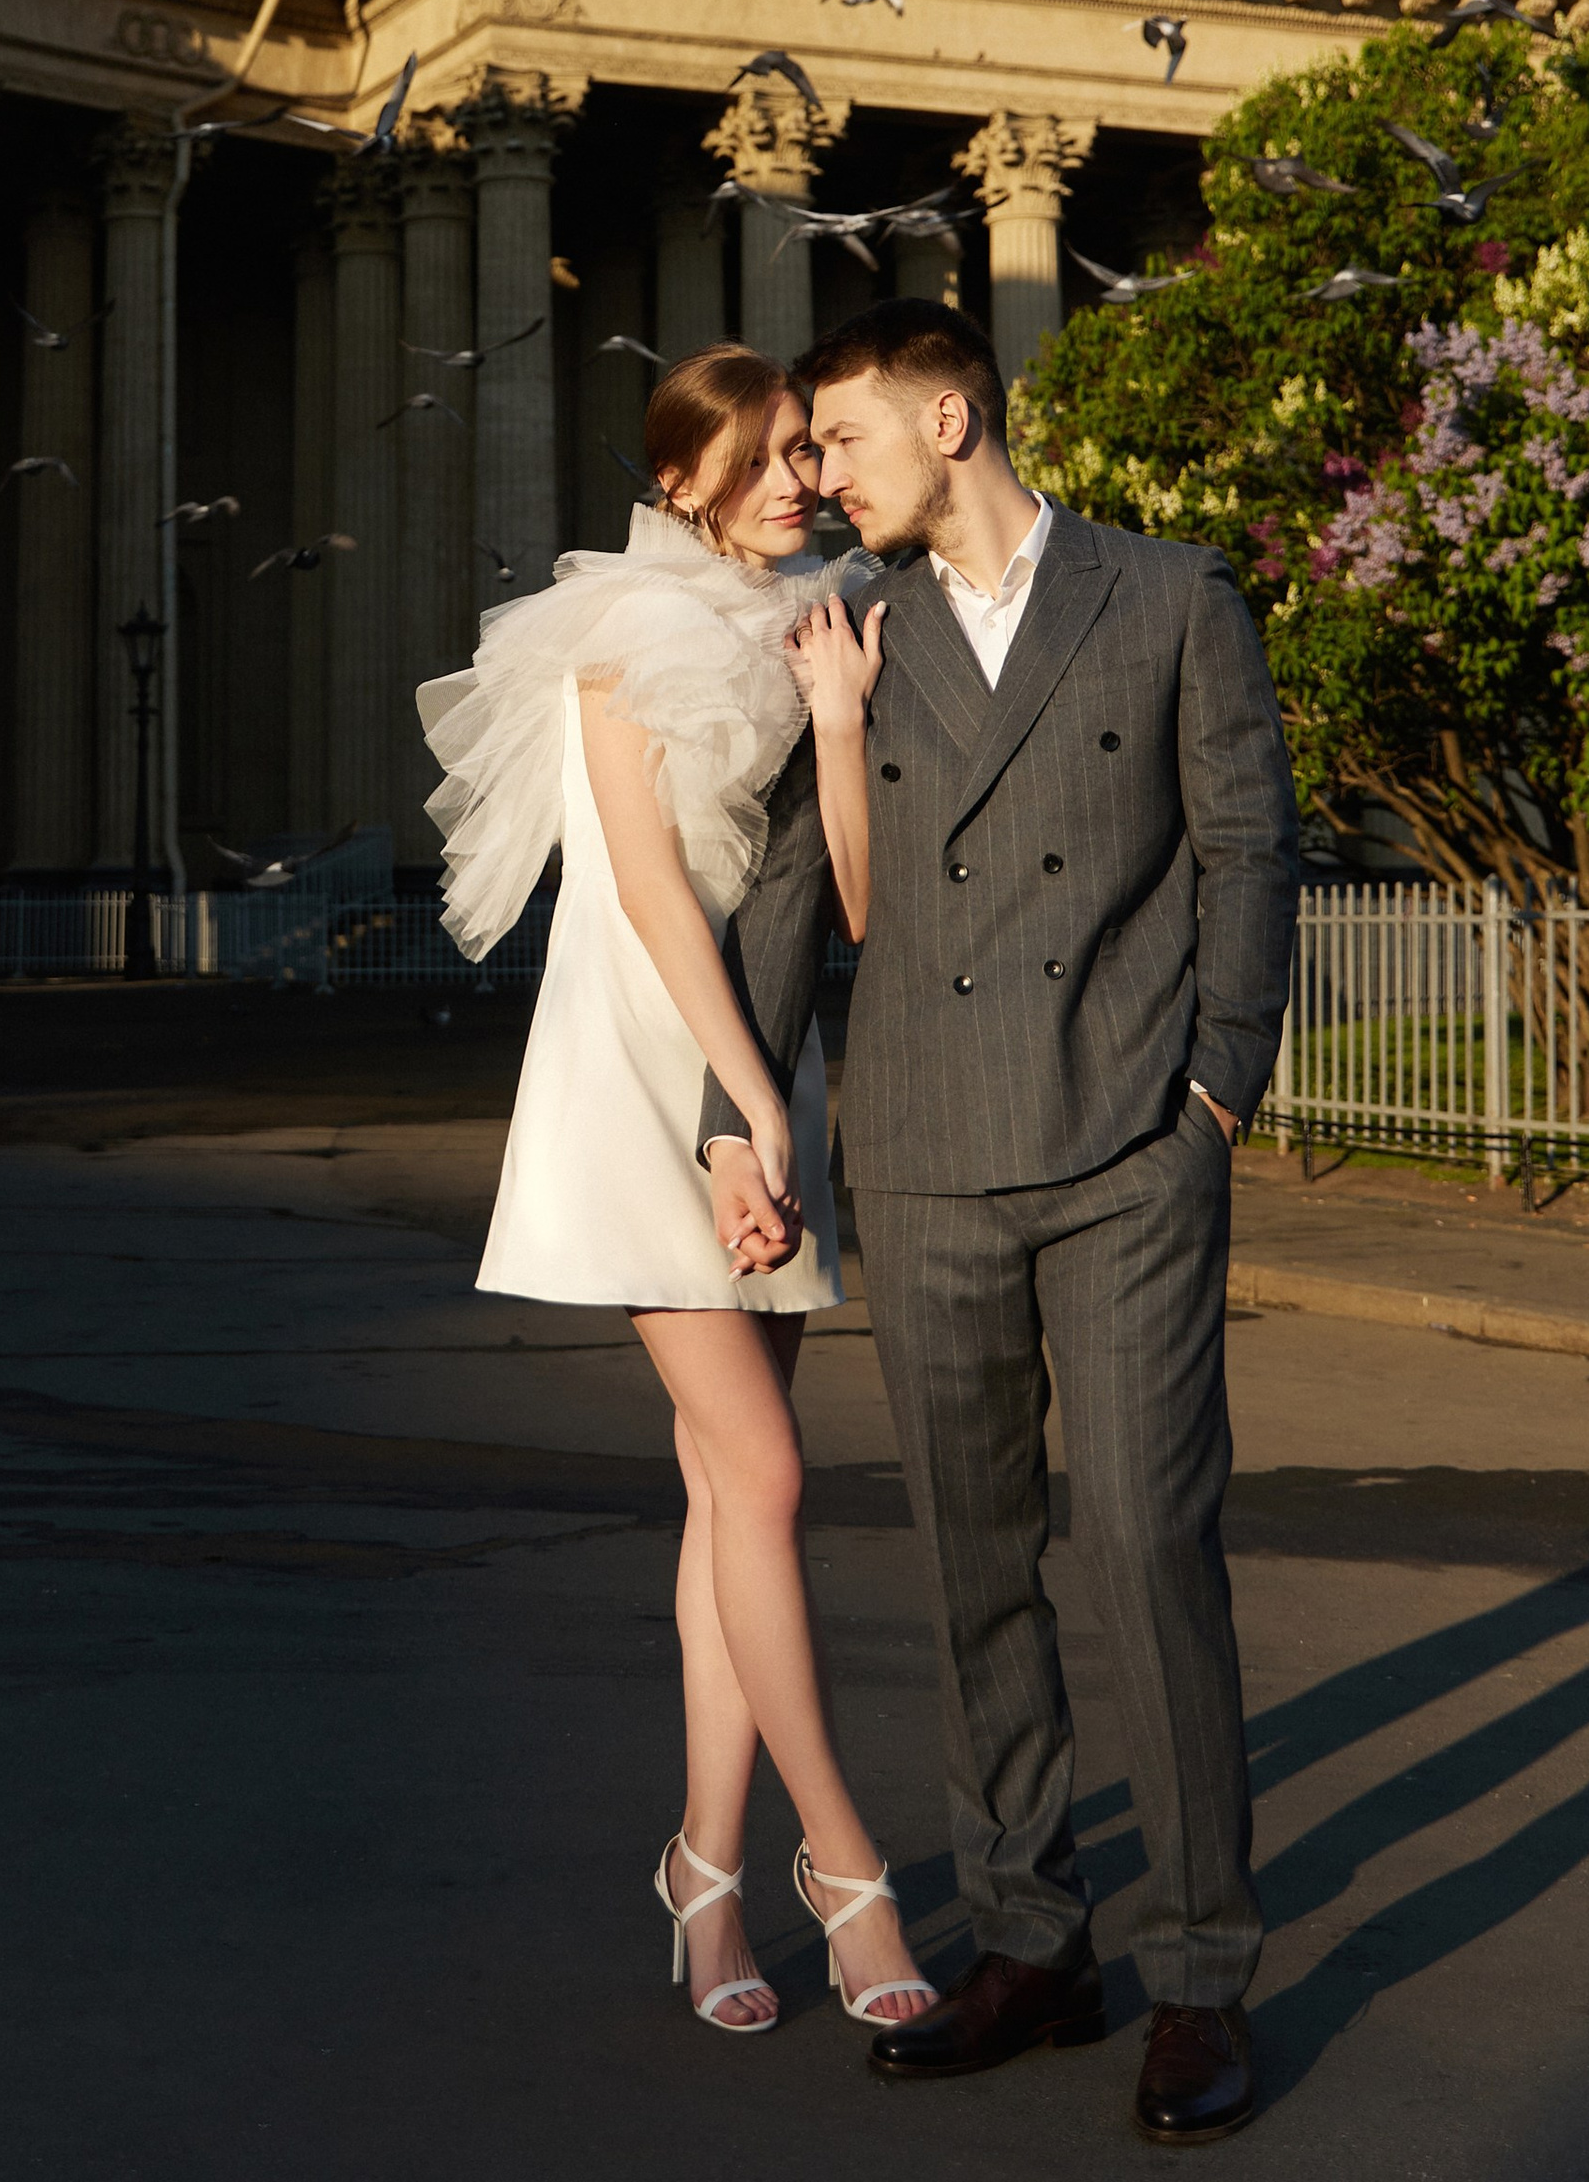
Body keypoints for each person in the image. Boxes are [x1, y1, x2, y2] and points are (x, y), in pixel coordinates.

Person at [701, 300, 1298, 2146]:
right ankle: (1035, 1938)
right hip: (931, 1151)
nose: (822, 475)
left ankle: (1198, 1971)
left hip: (1129, 1145)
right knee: (976, 1567)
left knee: (1144, 1549)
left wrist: (1215, 1090)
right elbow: (801, 879)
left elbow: (1247, 846)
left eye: (847, 441)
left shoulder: (1168, 595)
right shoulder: (848, 631)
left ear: (950, 418)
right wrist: (748, 1116)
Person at [419, 344, 935, 2040]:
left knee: (731, 1499)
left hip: (757, 1055)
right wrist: (735, 1114)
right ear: (687, 477)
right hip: (644, 1062)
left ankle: (704, 1875)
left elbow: (840, 893)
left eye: (807, 446)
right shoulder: (616, 636)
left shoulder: (827, 621)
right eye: (769, 453)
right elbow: (645, 889)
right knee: (770, 1470)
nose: (799, 474)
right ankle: (843, 1861)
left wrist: (846, 719)